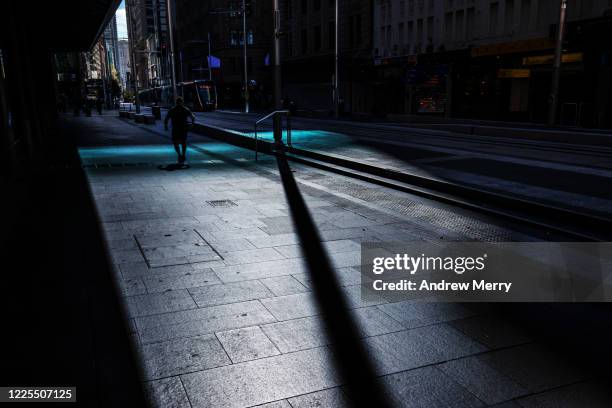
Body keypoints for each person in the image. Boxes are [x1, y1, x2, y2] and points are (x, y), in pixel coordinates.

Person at [164, 97, 195, 163]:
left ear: (176, 102)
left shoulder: (172, 110)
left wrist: (166, 126)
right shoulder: (185, 109)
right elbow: (193, 117)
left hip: (175, 128)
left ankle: (179, 154)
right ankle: (183, 154)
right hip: (183, 128)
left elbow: (166, 119)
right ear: (182, 102)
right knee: (183, 142)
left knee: (175, 142)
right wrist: (192, 123)